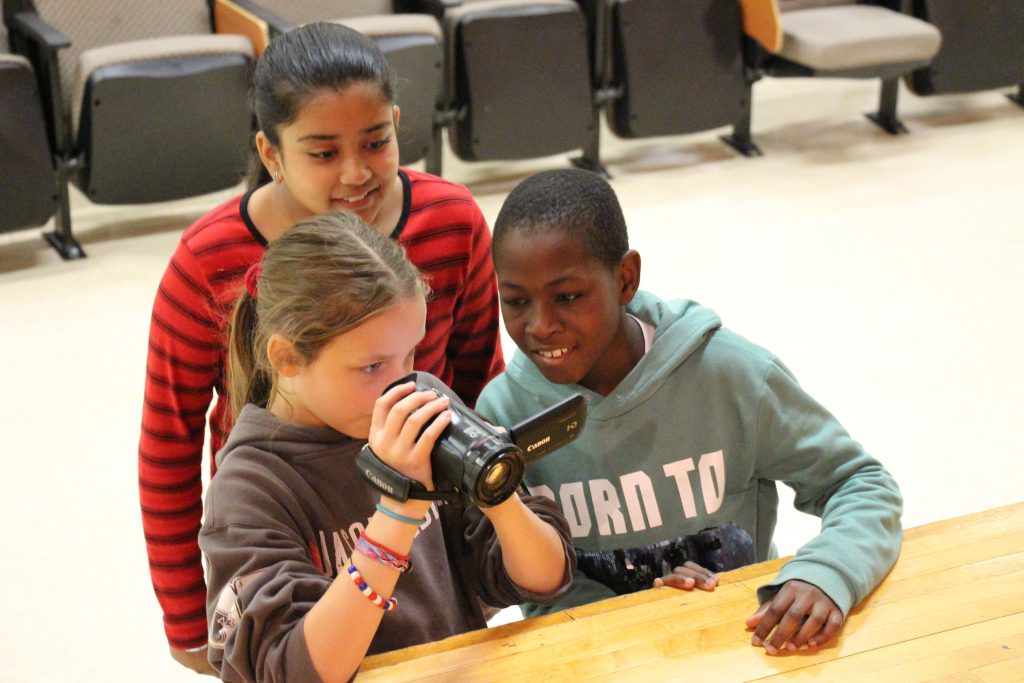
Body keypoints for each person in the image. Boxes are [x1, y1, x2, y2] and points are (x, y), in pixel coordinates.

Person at [138, 23, 505, 673]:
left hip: (424, 530)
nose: (356, 172)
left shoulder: (452, 219)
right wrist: (188, 618)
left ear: (397, 122)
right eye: (322, 152)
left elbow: (480, 382)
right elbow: (168, 445)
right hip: (285, 528)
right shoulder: (206, 259)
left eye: (375, 141)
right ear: (271, 154)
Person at [475, 169, 903, 655]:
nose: (540, 326)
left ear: (625, 278)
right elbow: (537, 586)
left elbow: (860, 483)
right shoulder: (503, 416)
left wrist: (827, 574)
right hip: (599, 661)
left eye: (568, 297)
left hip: (743, 651)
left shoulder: (732, 375)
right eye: (515, 301)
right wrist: (641, 616)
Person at [200, 212, 573, 681]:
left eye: (411, 354)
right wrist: (398, 514)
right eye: (373, 366)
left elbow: (545, 578)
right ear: (287, 357)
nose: (402, 385)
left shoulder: (423, 403)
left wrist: (497, 496)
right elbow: (292, 669)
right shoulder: (250, 487)